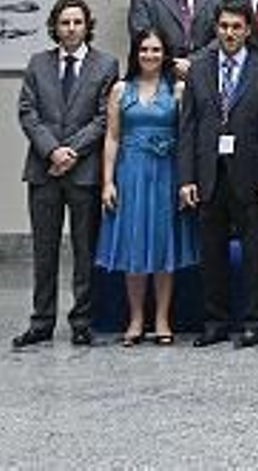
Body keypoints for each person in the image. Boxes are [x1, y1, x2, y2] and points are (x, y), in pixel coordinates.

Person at [178, 0, 258, 348]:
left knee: (255, 254)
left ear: (248, 31)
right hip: (209, 176)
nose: (230, 33)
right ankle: (216, 321)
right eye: (224, 27)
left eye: (237, 27)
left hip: (252, 178)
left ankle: (255, 322)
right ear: (215, 29)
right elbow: (188, 128)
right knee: (211, 255)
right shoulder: (198, 69)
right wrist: (187, 178)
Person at [14, 0, 118, 348]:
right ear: (54, 27)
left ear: (88, 26)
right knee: (44, 250)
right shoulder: (37, 63)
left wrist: (71, 150)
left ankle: (82, 321)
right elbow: (28, 112)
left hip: (83, 171)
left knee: (84, 250)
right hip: (44, 170)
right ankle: (41, 321)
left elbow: (105, 118)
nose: (71, 28)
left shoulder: (106, 64)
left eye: (77, 22)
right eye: (64, 23)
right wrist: (52, 150)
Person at [94, 30, 197, 345]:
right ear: (135, 53)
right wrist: (107, 182)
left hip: (167, 174)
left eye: (156, 50)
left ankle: (163, 319)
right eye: (144, 49)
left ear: (165, 54)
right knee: (135, 244)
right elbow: (112, 137)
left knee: (164, 245)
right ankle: (136, 317)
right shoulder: (120, 90)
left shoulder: (178, 89)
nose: (150, 55)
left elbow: (187, 138)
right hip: (131, 174)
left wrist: (185, 180)